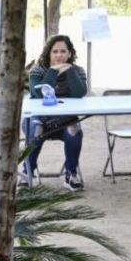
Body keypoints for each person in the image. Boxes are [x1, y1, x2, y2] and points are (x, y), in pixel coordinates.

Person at [25, 34, 88, 191]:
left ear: (69, 53)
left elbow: (79, 93)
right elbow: (39, 94)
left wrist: (70, 72)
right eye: (55, 51)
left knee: (75, 130)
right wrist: (53, 72)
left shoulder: (78, 71)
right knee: (36, 130)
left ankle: (71, 173)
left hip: (66, 120)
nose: (59, 55)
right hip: (40, 119)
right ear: (48, 53)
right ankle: (28, 171)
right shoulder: (37, 71)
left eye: (63, 51)